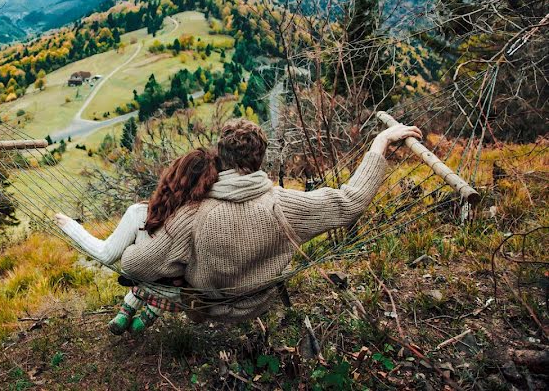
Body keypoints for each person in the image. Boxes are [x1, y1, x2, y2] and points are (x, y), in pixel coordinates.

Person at [120, 118, 422, 321]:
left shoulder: (192, 215)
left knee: (156, 243)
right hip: (258, 304)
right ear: (260, 159)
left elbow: (134, 266)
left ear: (220, 157)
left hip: (207, 307)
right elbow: (351, 202)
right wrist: (380, 143)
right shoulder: (285, 204)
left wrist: (141, 238)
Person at [54, 147, 218, 334]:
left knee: (142, 266)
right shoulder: (208, 221)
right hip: (178, 294)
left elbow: (105, 255)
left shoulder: (139, 213)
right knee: (169, 273)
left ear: (171, 177)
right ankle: (146, 317)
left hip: (145, 282)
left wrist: (70, 226)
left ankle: (127, 313)